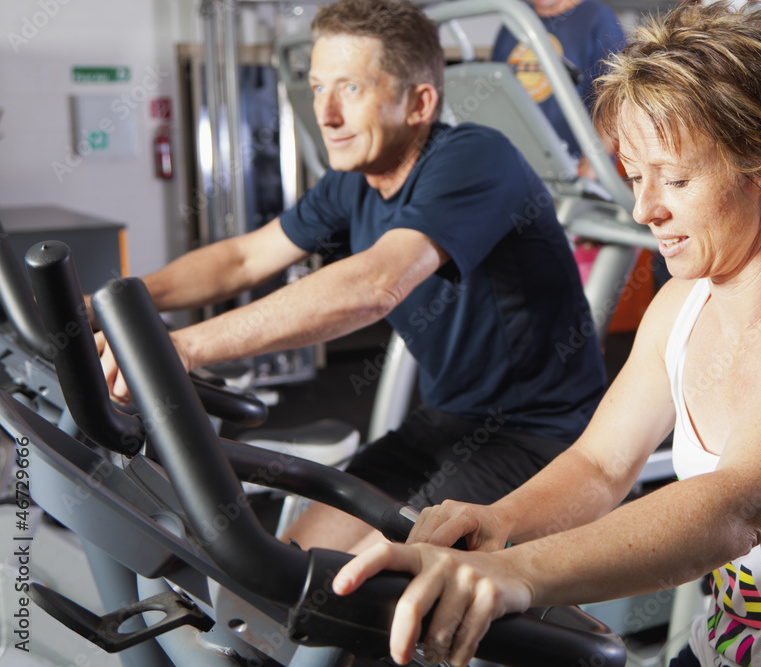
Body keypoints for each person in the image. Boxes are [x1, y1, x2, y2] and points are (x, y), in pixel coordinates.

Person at [332, 3, 761, 666]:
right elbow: (600, 465)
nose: (644, 209)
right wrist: (502, 521)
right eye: (637, 177)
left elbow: (737, 509)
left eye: (678, 179)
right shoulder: (678, 307)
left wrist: (515, 572)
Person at [96, 0, 606, 554]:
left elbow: (374, 284)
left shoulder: (477, 158)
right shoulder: (356, 179)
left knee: (361, 588)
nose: (326, 114)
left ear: (419, 103)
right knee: (284, 572)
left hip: (537, 437)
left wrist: (181, 346)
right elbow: (243, 259)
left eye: (351, 89)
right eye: (317, 88)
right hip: (441, 423)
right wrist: (108, 304)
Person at [492, 0, 625, 175]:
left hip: (577, 176)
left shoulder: (598, 18)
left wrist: (590, 168)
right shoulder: (513, 21)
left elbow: (619, 101)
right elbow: (496, 98)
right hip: (521, 171)